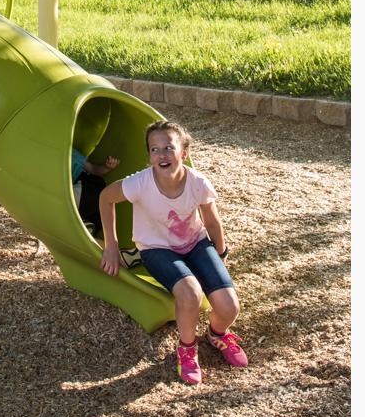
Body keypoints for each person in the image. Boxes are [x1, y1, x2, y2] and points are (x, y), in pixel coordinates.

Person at [97, 120, 249, 384]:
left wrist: (221, 255)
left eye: (168, 147)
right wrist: (111, 246)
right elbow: (105, 198)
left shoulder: (197, 182)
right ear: (149, 156)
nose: (161, 155)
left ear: (184, 153)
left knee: (229, 305)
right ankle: (188, 348)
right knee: (190, 293)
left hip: (196, 243)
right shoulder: (140, 183)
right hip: (157, 248)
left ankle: (217, 334)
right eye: (154, 150)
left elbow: (212, 222)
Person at [73, 146, 118, 237]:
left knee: (100, 218)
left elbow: (93, 169)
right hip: (81, 196)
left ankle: (86, 226)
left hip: (90, 187)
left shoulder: (71, 153)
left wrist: (107, 167)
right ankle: (85, 226)